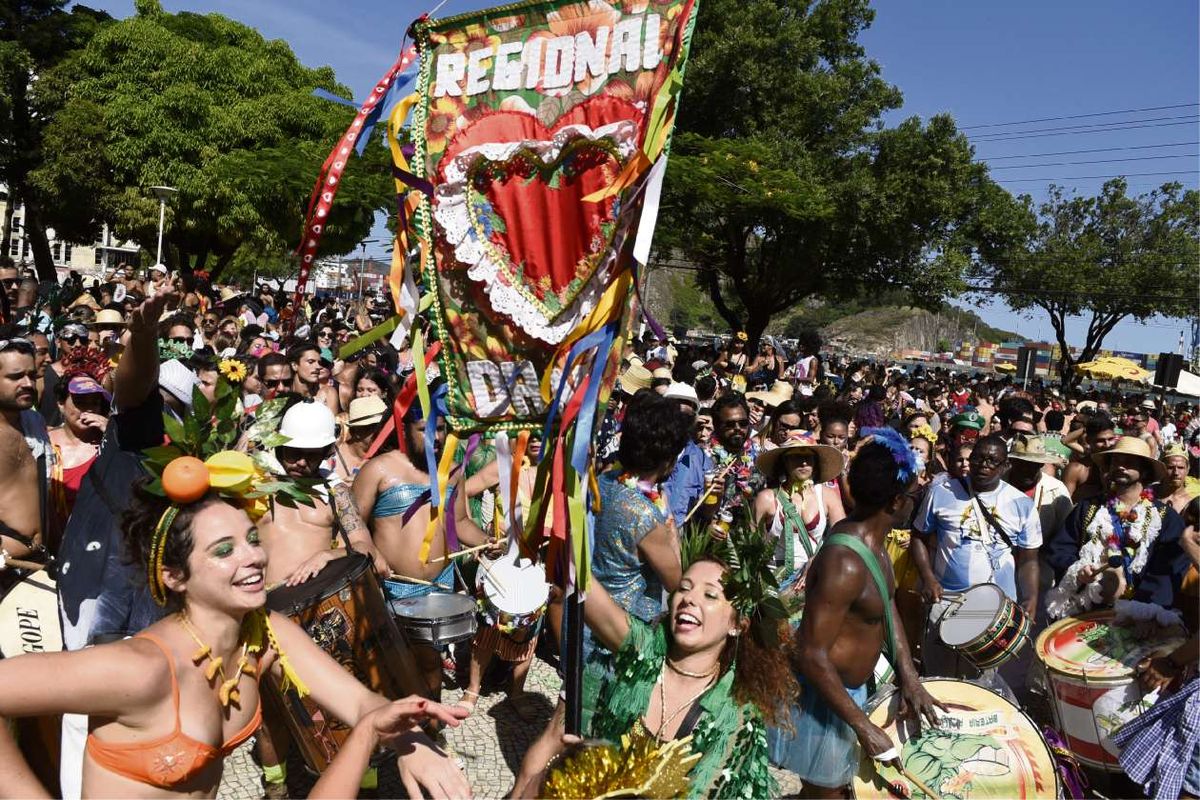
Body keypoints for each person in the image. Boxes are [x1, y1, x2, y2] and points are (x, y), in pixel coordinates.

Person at [0, 464, 470, 798]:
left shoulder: (264, 633)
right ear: (174, 577)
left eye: (251, 539)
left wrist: (413, 742)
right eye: (223, 551)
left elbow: (363, 704)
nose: (252, 558)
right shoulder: (140, 670)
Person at [778, 428, 941, 797]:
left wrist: (910, 675)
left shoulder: (875, 544)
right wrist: (862, 727)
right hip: (825, 704)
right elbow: (811, 653)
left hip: (852, 696)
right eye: (914, 496)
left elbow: (886, 607)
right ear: (897, 502)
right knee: (828, 795)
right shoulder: (845, 562)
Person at [911, 434, 1041, 685]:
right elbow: (918, 537)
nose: (983, 465)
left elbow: (1029, 560)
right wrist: (927, 578)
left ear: (1005, 467)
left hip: (995, 610)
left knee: (980, 685)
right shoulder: (941, 492)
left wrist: (1031, 597)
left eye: (993, 461)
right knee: (938, 680)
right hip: (946, 601)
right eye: (978, 458)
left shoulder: (1022, 504)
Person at [1045, 437, 1188, 619]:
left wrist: (1145, 612)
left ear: (1144, 470)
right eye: (1116, 461)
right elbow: (1060, 549)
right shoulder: (1088, 508)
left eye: (1128, 462)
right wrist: (1077, 570)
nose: (1120, 466)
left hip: (1137, 617)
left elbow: (1166, 572)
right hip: (1085, 612)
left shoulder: (1166, 518)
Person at [752, 431, 845, 589]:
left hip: (813, 580)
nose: (803, 463)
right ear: (785, 462)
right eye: (796, 457)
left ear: (815, 463)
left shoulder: (827, 496)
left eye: (808, 458)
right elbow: (750, 545)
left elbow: (842, 536)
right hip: (773, 583)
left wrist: (817, 559)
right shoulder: (767, 499)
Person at [0, 336, 52, 575]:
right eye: (15, 377)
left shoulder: (34, 421)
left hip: (36, 565)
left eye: (31, 375)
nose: (28, 383)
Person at [48, 374, 110, 554]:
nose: (89, 410)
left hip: (91, 551)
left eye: (95, 403)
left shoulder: (107, 447)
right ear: (60, 403)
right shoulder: (41, 442)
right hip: (46, 552)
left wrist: (111, 436)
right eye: (81, 402)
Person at [663, 381, 711, 524]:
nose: (679, 421)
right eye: (674, 413)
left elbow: (705, 511)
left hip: (677, 538)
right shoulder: (644, 448)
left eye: (686, 416)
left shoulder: (701, 460)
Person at [1063, 413, 1119, 502]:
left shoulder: (1120, 467)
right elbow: (1065, 506)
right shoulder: (1076, 469)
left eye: (1110, 439)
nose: (1107, 445)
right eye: (1100, 440)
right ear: (1089, 441)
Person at [334, 395, 388, 480]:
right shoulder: (333, 459)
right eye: (377, 427)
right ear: (357, 430)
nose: (384, 432)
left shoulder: (387, 456)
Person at [288, 342, 339, 413]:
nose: (318, 367)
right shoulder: (284, 394)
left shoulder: (327, 393)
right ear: (294, 365)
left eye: (319, 362)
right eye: (310, 362)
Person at [1157, 441, 1195, 514]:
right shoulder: (1147, 494)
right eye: (1170, 467)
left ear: (1188, 469)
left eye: (1181, 468)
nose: (1176, 473)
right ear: (1162, 468)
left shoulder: (1192, 501)